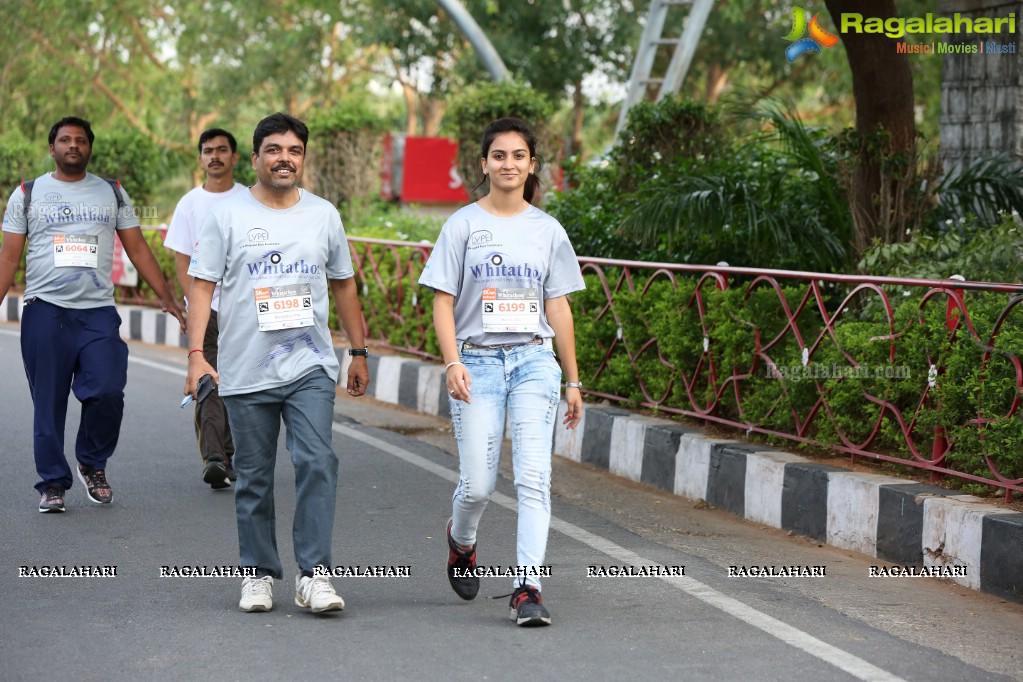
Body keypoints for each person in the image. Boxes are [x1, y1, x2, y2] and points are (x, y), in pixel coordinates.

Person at [184, 112, 370, 614]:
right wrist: (197, 356)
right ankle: (258, 573)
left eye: (293, 151)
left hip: (310, 364)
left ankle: (314, 575)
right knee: (255, 475)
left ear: (303, 159)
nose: (284, 158)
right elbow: (202, 286)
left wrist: (357, 350)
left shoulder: (323, 214)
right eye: (274, 149)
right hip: (246, 367)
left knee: (317, 460)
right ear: (256, 158)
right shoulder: (226, 215)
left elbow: (344, 283)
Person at [418, 117, 585, 627]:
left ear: (532, 165)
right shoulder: (463, 225)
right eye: (499, 155)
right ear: (484, 164)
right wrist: (452, 361)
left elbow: (557, 307)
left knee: (534, 478)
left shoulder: (547, 230)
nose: (508, 164)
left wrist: (573, 379)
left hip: (534, 360)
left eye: (519, 156)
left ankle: (526, 588)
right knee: (478, 485)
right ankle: (461, 540)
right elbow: (442, 302)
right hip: (477, 362)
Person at [0, 116, 185, 513]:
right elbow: (9, 256)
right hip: (44, 312)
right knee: (48, 403)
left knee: (106, 390)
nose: (73, 146)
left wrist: (167, 297)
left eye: (80, 140)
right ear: (52, 148)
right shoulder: (27, 193)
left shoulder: (112, 192)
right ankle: (52, 483)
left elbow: (137, 249)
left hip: (98, 312)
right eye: (64, 140)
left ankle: (92, 462)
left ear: (89, 148)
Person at [164, 128, 248, 490]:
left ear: (235, 157)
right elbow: (183, 260)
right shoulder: (189, 204)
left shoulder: (250, 199)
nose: (215, 156)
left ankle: (232, 454)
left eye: (222, 150)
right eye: (208, 150)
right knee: (207, 381)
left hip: (248, 311)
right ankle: (215, 458)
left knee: (243, 385)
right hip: (208, 311)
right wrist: (194, 306)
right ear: (200, 158)